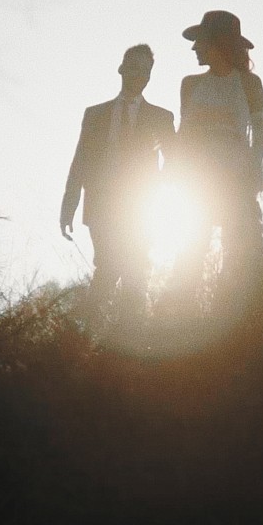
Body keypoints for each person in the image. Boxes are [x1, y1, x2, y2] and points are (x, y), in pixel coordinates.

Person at [60, 44, 175, 322]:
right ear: (121, 69)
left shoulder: (161, 117)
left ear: (149, 76)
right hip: (101, 203)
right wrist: (69, 205)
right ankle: (90, 329)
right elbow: (80, 162)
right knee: (111, 265)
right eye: (131, 66)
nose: (136, 73)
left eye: (143, 69)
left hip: (140, 207)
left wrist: (157, 190)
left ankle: (104, 330)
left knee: (132, 269)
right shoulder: (95, 114)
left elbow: (175, 161)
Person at [168, 10, 263, 306]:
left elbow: (260, 135)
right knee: (191, 249)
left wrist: (252, 170)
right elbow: (184, 134)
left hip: (236, 178)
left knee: (240, 251)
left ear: (218, 43)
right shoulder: (190, 84)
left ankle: (232, 314)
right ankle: (180, 316)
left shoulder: (250, 84)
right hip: (197, 182)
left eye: (200, 40)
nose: (194, 48)